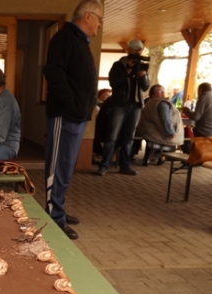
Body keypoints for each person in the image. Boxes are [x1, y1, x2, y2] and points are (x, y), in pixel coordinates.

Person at [44, 0, 102, 240]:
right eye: (99, 18)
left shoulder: (82, 42)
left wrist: (86, 106)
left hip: (77, 117)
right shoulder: (64, 38)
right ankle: (54, 216)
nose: (100, 24)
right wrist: (73, 104)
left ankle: (59, 208)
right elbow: (54, 74)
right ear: (88, 16)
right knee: (58, 166)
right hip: (65, 115)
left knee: (67, 167)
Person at [96, 39, 150, 176]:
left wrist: (142, 76)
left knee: (129, 137)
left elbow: (145, 87)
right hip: (119, 104)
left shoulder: (142, 66)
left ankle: (125, 165)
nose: (137, 53)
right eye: (134, 50)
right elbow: (113, 83)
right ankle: (104, 165)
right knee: (112, 136)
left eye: (139, 50)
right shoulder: (118, 65)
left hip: (136, 105)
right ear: (129, 50)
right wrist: (127, 71)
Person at [136, 84, 184, 166]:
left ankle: (149, 158)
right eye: (160, 91)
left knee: (154, 140)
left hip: (150, 131)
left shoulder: (149, 102)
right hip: (159, 132)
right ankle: (162, 157)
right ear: (153, 94)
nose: (163, 93)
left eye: (163, 91)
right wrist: (171, 132)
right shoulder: (162, 104)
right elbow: (166, 119)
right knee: (168, 141)